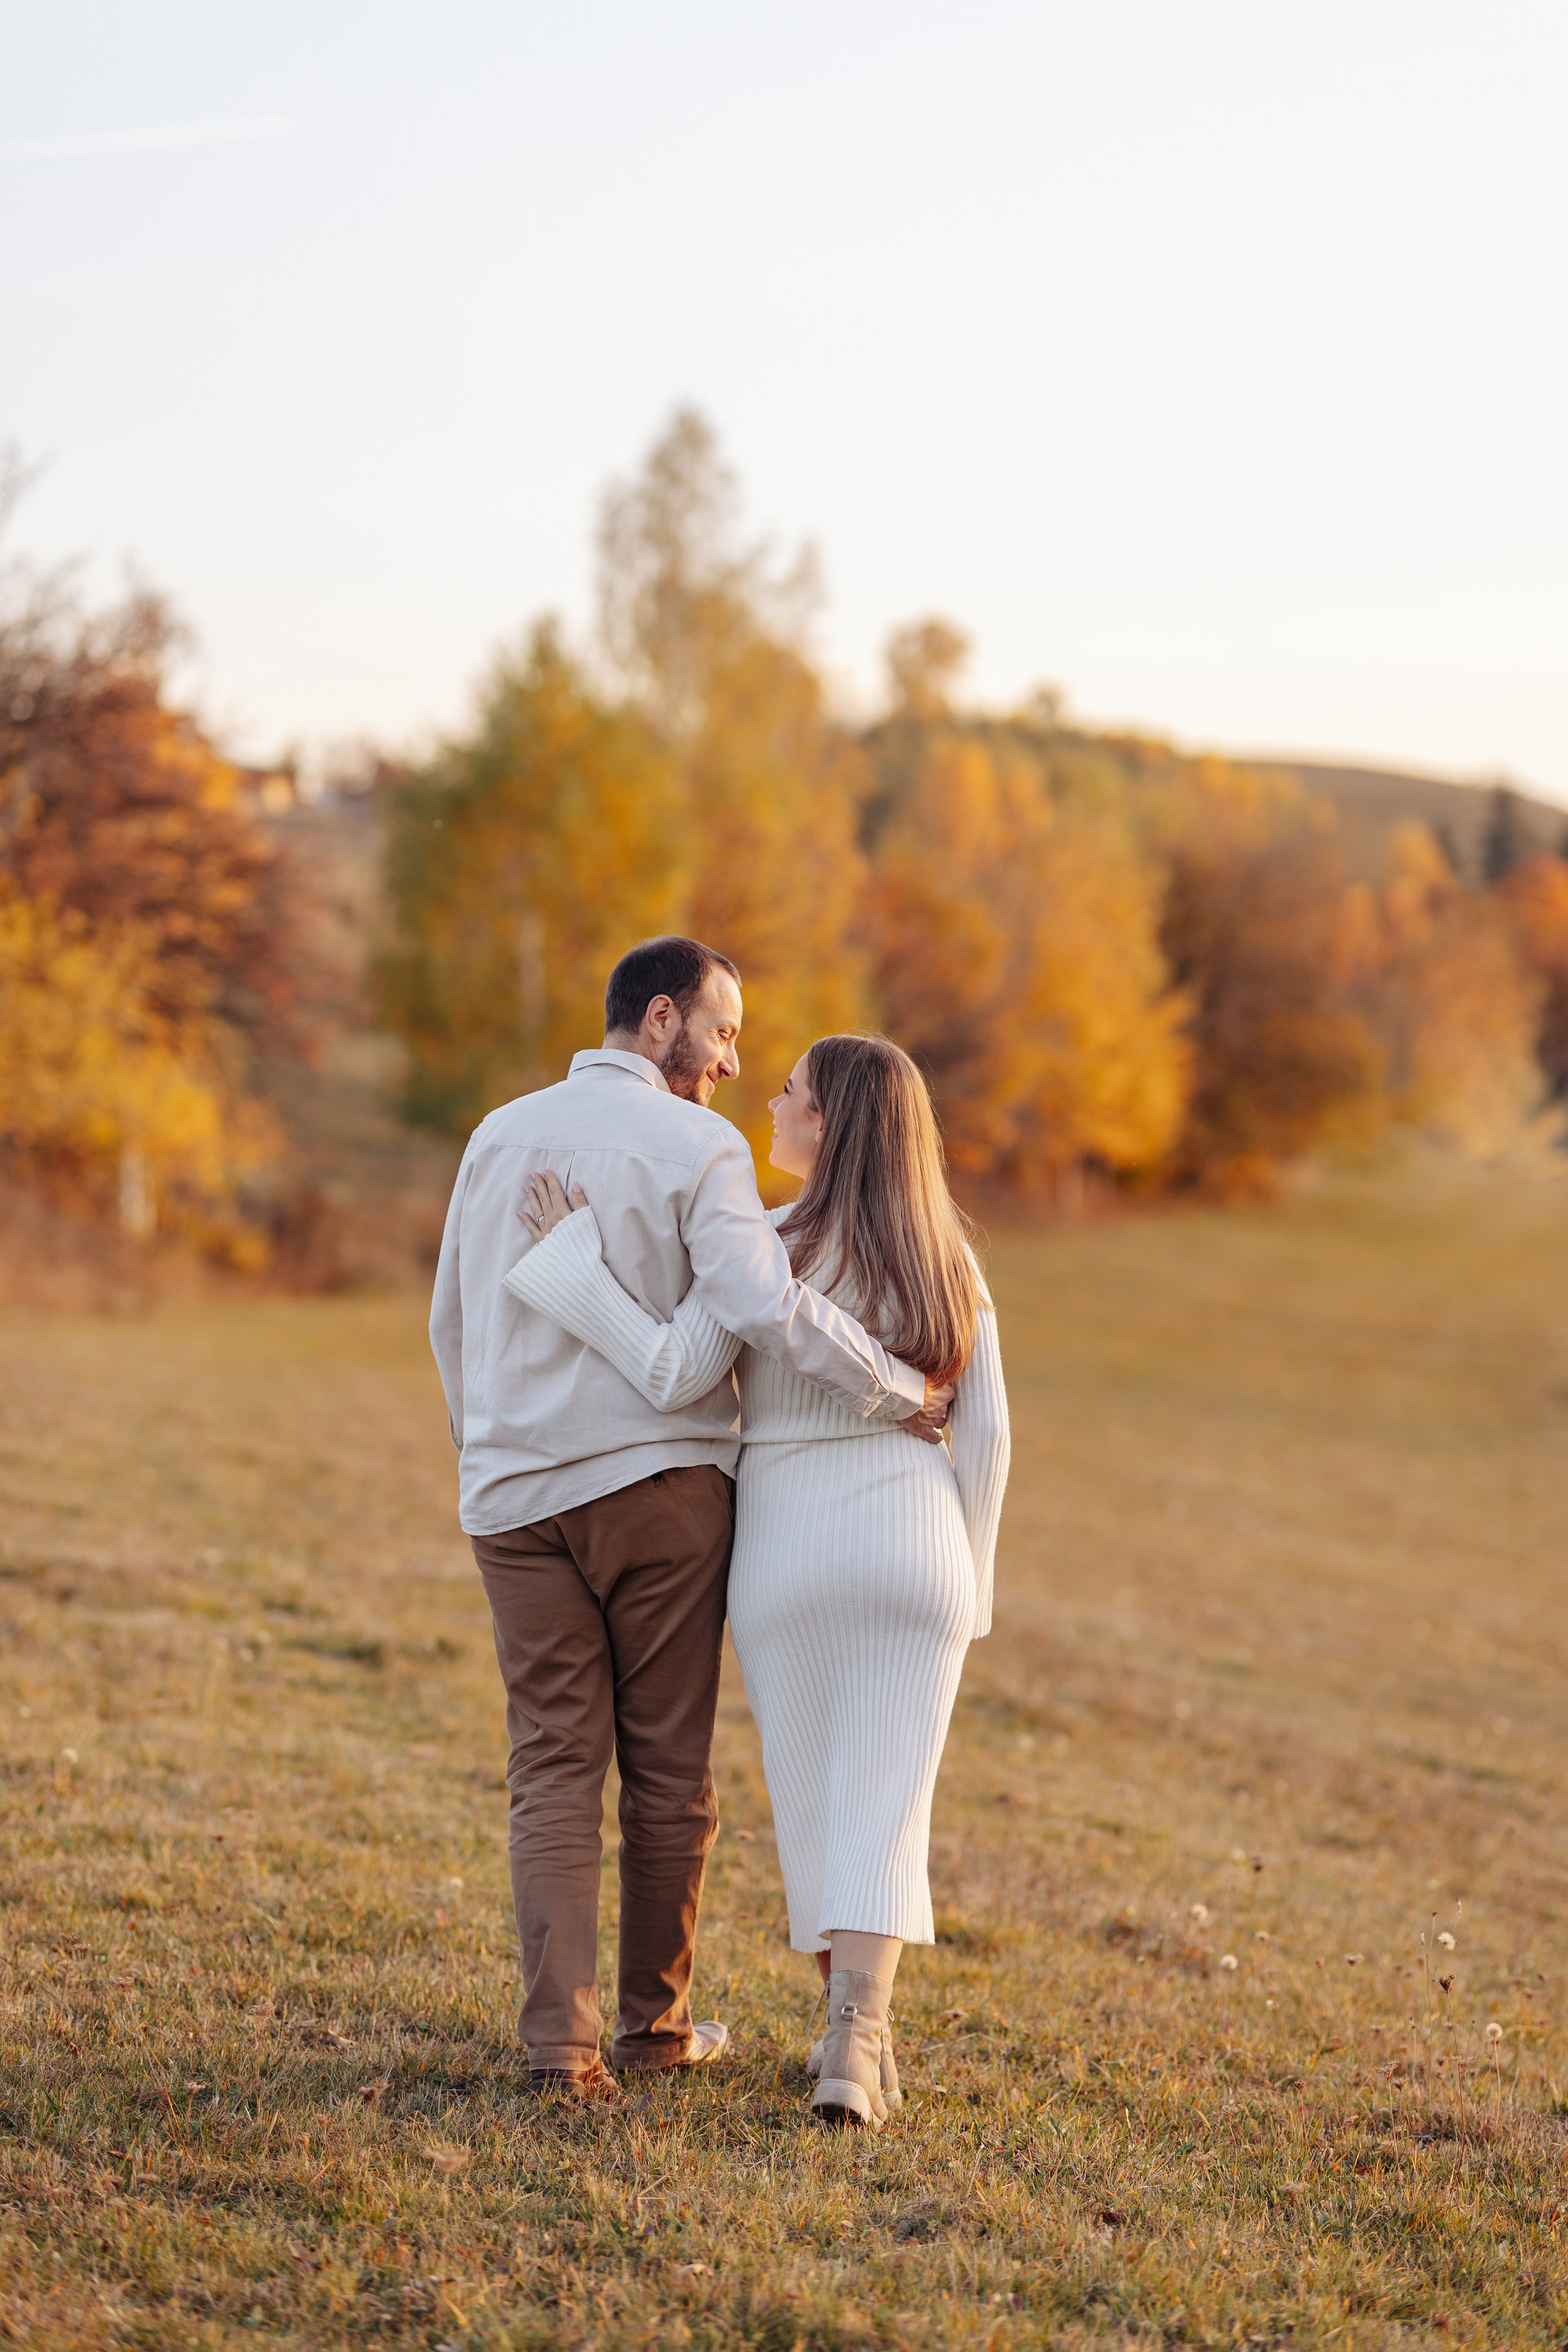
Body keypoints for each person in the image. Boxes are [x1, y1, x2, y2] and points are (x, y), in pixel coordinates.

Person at [429, 940, 952, 2100]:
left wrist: (490, 1454)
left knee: (552, 1766)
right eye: (721, 1033)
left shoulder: (498, 1134)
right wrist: (897, 1390)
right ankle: (652, 2035)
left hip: (514, 1501)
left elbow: (450, 1324)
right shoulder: (701, 1146)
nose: (729, 1062)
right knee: (667, 1773)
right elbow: (763, 1306)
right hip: (659, 1496)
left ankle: (558, 2053)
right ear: (660, 1017)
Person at [511, 1031, 1010, 2128]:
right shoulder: (946, 1256)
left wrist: (569, 1265)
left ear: (830, 1124)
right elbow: (989, 1436)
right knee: (888, 1810)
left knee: (820, 1805)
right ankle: (855, 2046)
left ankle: (849, 2033)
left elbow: (671, 1368)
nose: (770, 1104)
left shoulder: (768, 1242)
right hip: (916, 1544)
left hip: (788, 1548)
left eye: (789, 1094)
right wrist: (968, 1582)